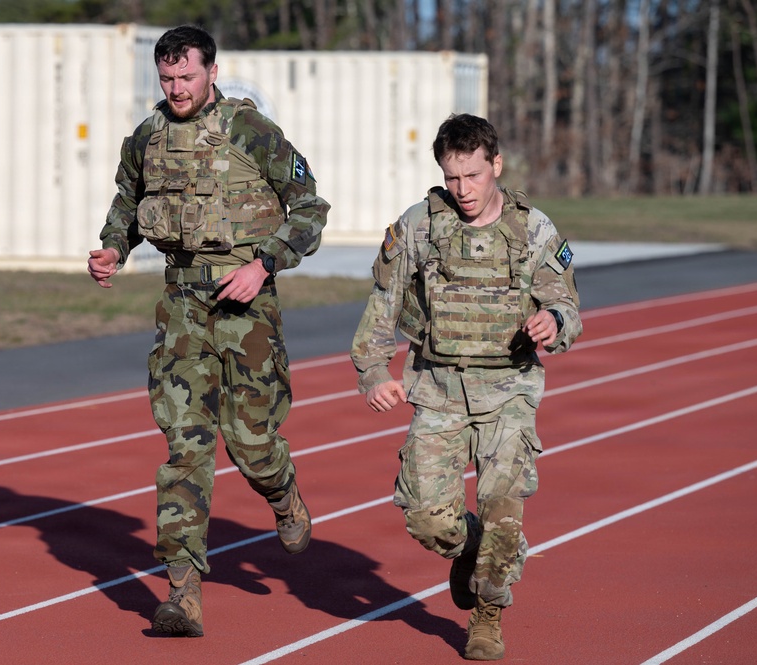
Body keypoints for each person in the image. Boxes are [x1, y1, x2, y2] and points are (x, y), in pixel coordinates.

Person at [87, 25, 329, 638]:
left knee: (250, 442)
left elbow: (309, 207)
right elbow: (127, 200)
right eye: (166, 79)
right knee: (185, 444)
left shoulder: (253, 133)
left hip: (246, 304)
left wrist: (264, 263)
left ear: (213, 72)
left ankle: (283, 494)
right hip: (181, 306)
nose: (177, 89)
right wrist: (113, 248)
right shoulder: (147, 136)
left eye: (187, 77)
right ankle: (183, 592)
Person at [350, 114, 581, 661]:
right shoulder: (419, 226)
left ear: (495, 165)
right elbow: (382, 305)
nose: (463, 190)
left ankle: (487, 615)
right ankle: (467, 546)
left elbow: (568, 304)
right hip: (437, 390)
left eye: (473, 176)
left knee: (505, 509)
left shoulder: (534, 229)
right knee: (428, 519)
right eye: (452, 178)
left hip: (509, 392)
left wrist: (553, 321)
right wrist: (373, 372)